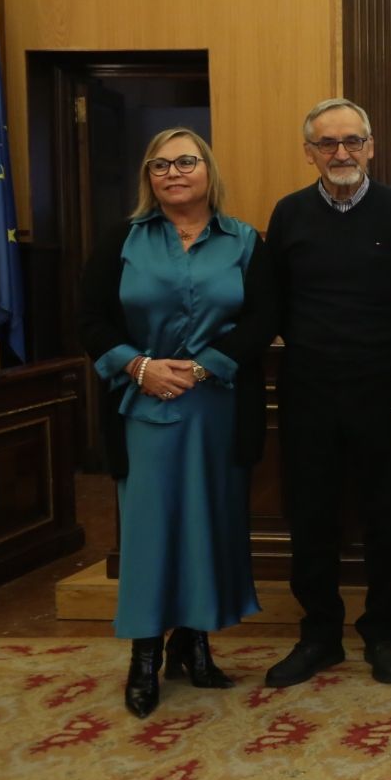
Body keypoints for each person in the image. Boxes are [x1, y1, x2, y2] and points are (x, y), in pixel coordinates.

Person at [78, 128, 277, 718]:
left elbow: (262, 319)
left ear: (207, 170)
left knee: (209, 525)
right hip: (144, 407)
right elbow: (88, 317)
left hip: (218, 406)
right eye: (159, 165)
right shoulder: (122, 239)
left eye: (185, 161)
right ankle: (144, 655)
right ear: (149, 178)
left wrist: (202, 367)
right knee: (152, 531)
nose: (173, 172)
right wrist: (139, 366)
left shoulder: (244, 241)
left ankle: (194, 645)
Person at [263, 98, 391, 688]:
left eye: (352, 141)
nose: (341, 153)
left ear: (371, 147)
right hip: (307, 391)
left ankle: (382, 632)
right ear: (310, 153)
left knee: (387, 518)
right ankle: (320, 635)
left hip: (383, 391)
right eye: (327, 144)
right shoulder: (289, 214)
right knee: (312, 518)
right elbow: (272, 301)